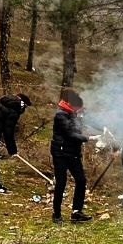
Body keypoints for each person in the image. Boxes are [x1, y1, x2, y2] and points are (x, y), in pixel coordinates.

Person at [50, 89, 98, 223]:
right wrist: (90, 138)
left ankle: (76, 212)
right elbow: (70, 134)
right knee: (61, 183)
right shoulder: (61, 115)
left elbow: (89, 123)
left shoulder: (75, 114)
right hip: (60, 153)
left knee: (81, 180)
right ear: (72, 105)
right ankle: (57, 214)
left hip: (73, 153)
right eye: (78, 107)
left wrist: (105, 128)